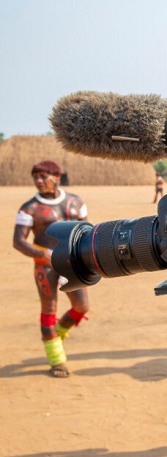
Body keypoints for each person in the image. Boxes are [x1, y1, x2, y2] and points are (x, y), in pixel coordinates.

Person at [13, 160, 90, 378]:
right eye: (35, 177)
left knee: (82, 306)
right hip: (44, 265)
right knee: (49, 307)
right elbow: (18, 241)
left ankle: (57, 333)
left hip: (72, 263)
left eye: (43, 176)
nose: (38, 181)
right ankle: (57, 361)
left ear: (57, 177)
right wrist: (42, 254)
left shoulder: (76, 201)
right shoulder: (29, 208)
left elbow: (86, 229)